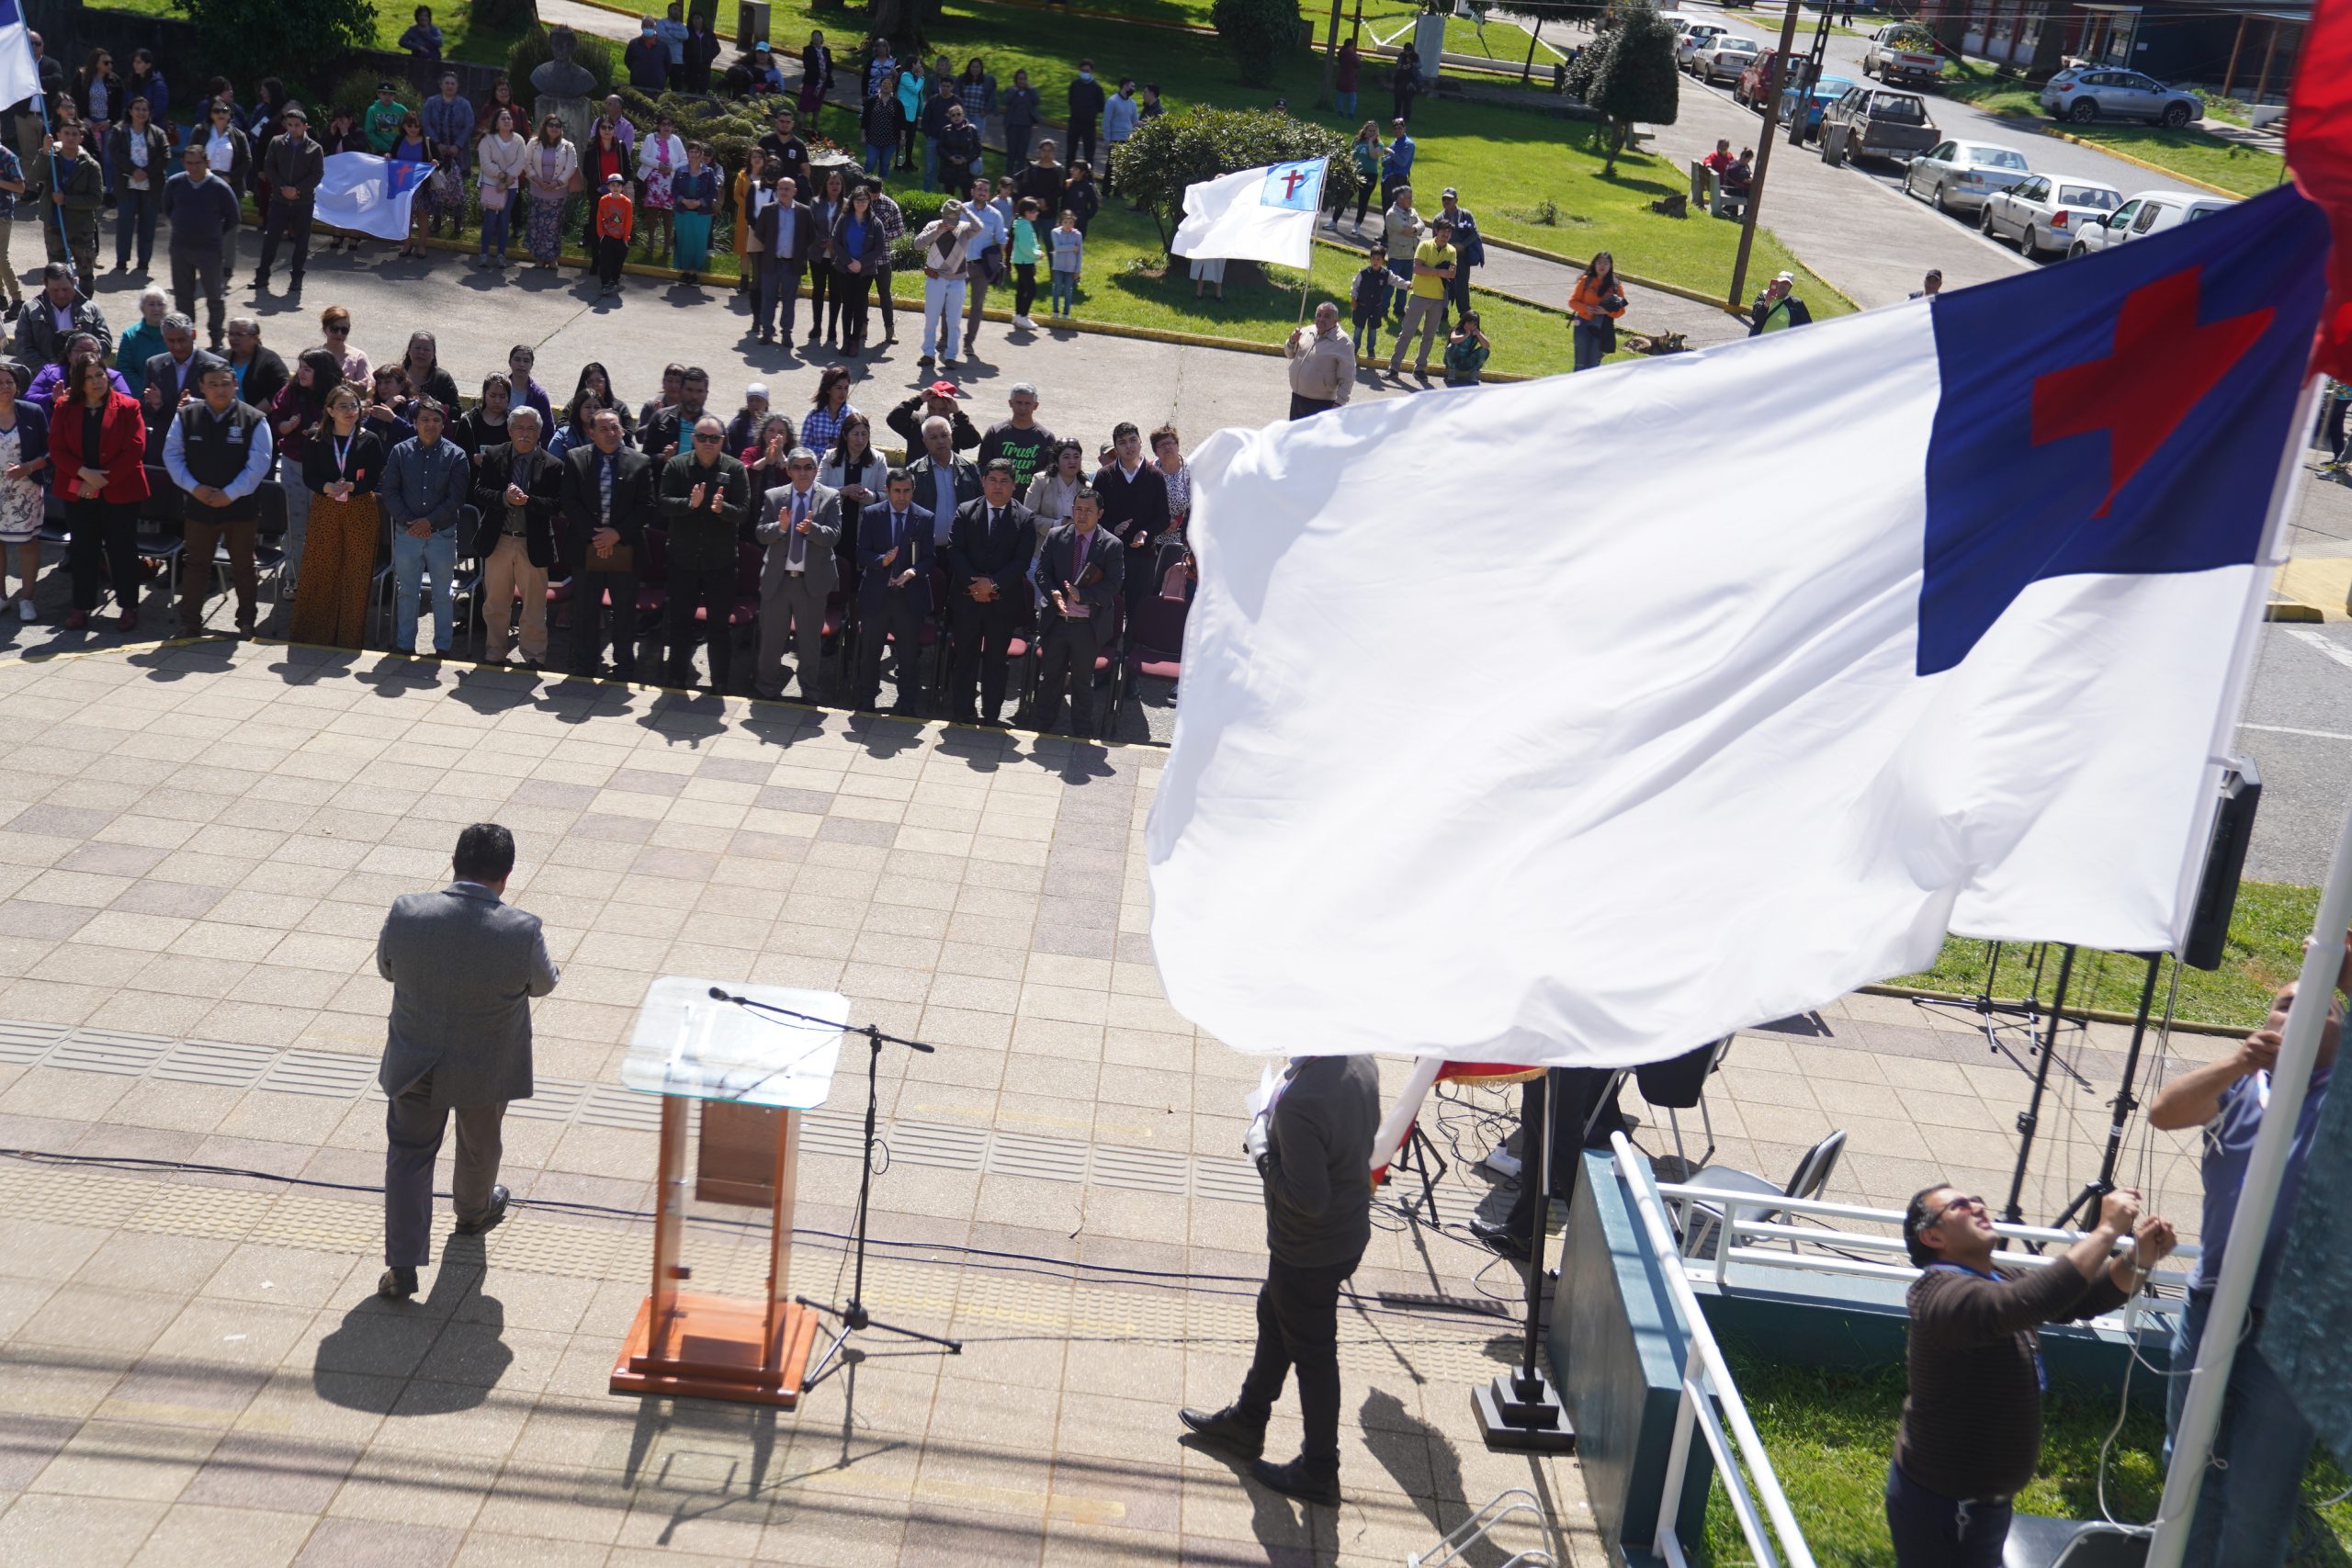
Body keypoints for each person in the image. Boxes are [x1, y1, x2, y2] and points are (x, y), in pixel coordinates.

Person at [2149, 951, 2347, 1568]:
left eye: (2320, 1005)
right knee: (2186, 1464)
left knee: (2261, 1490)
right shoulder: (2241, 1086)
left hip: (2300, 1324)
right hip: (2214, 1305)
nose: (2300, 1010)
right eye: (2286, 1001)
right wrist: (2239, 1059)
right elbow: (2164, 1112)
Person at [1889, 1185, 2173, 1567]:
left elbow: (2080, 1298)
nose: (1977, 1204)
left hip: (1983, 1503)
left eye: (1976, 1198)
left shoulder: (1995, 1275)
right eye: (1959, 1205)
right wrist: (2105, 1230)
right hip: (1945, 1506)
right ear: (1933, 1236)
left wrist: (2138, 1259)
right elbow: (2031, 1301)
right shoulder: (1937, 1295)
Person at [1180, 1051, 1381, 1506]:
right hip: (1346, 1234)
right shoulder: (1362, 1060)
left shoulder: (1302, 1101)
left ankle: (1319, 1469)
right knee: (1274, 1313)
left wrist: (1262, 1146)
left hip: (1308, 1249)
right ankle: (1247, 1421)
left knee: (1313, 1354)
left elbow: (1304, 1198)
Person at [374, 822, 560, 1300]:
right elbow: (543, 984)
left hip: (415, 1059)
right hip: (486, 1063)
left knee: (409, 1157)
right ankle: (473, 1215)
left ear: (453, 863)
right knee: (480, 1145)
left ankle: (402, 1266)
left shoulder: (407, 911)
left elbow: (387, 968)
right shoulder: (521, 928)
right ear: (508, 874)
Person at [164, 361, 271, 636]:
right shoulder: (186, 416)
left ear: (235, 385)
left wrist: (230, 493)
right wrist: (194, 487)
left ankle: (247, 621)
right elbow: (172, 455)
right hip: (199, 506)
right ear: (202, 386)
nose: (220, 389)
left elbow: (260, 463)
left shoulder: (255, 419)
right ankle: (190, 622)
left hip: (241, 508)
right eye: (213, 384)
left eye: (225, 383)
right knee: (196, 565)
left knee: (244, 566)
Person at [1015, 488, 1122, 738]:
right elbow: (1042, 572)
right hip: (1058, 620)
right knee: (1051, 675)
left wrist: (1082, 595)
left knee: (1082, 681)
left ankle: (1082, 731)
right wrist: (1053, 593)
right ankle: (1042, 725)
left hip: (1087, 624)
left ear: (1100, 513)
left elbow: (1114, 585)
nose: (1082, 515)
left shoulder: (1111, 545)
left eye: (1088, 511)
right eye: (1078, 509)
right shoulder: (1056, 536)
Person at [51, 355, 148, 632]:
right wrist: (83, 473)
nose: (97, 382)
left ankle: (129, 606)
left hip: (120, 491)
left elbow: (134, 449)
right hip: (78, 490)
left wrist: (97, 481)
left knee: (122, 550)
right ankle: (80, 607)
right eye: (89, 377)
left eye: (100, 375)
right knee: (83, 550)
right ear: (78, 382)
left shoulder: (129, 407)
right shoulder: (64, 407)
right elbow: (57, 448)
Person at [557, 407, 652, 682]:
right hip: (587, 547)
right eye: (604, 429)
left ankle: (624, 666)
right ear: (591, 432)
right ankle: (585, 665)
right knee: (586, 609)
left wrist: (616, 534)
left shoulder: (640, 462)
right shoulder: (576, 459)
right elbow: (569, 501)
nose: (611, 433)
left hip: (626, 548)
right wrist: (597, 535)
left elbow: (647, 505)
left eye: (615, 428)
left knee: (624, 611)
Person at [288, 381, 383, 649]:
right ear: (330, 410)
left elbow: (375, 477)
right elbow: (310, 476)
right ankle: (314, 635)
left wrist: (354, 486)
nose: (350, 411)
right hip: (326, 508)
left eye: (353, 405)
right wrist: (327, 487)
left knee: (356, 573)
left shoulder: (369, 440)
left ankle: (349, 638)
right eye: (343, 406)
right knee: (322, 569)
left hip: (361, 509)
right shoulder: (316, 439)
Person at [942, 457, 1034, 726]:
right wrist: (976, 585)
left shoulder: (1025, 518)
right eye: (992, 480)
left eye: (1004, 481)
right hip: (967, 600)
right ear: (983, 481)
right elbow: (954, 550)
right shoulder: (966, 511)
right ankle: (962, 711)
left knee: (996, 661)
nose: (998, 486)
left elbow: (1021, 561)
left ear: (1014, 485)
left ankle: (991, 715)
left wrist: (992, 585)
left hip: (1002, 603)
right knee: (965, 657)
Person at [660, 414, 749, 691]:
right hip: (682, 560)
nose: (708, 443)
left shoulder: (735, 469)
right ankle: (676, 678)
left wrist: (724, 510)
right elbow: (662, 504)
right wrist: (690, 503)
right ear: (693, 439)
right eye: (702, 437)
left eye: (714, 438)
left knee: (719, 627)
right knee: (680, 623)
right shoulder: (676, 466)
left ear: (722, 440)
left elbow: (745, 513)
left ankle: (720, 683)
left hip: (719, 563)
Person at [470, 406, 560, 666]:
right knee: (496, 603)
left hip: (533, 542)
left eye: (531, 428)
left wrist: (528, 502)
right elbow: (478, 492)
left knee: (534, 607)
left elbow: (556, 505)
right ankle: (495, 652)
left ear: (539, 433)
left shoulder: (553, 465)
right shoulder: (494, 456)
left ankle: (533, 656)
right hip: (498, 540)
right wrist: (504, 499)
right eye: (519, 427)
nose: (524, 433)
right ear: (509, 431)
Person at [752, 445, 841, 704]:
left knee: (810, 643)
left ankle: (809, 690)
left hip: (810, 583)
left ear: (816, 470)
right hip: (778, 581)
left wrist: (811, 529)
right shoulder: (774, 496)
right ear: (789, 471)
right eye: (798, 467)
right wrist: (780, 528)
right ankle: (766, 687)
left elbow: (834, 536)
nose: (803, 472)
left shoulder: (830, 497)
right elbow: (760, 533)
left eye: (808, 467)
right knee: (771, 639)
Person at [381, 399, 469, 654]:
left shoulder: (456, 456)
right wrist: (411, 521)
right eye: (424, 419)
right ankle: (405, 645)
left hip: (441, 535)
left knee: (442, 594)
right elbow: (389, 491)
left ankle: (442, 648)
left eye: (436, 419)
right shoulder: (399, 452)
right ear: (415, 422)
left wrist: (428, 522)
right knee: (407, 591)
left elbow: (456, 499)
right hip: (407, 534)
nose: (430, 424)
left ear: (444, 423)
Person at [852, 468, 932, 713]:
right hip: (878, 594)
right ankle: (866, 699)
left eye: (906, 491)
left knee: (908, 656)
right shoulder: (873, 514)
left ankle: (907, 703)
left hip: (908, 597)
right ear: (887, 490)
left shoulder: (924, 517)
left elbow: (930, 558)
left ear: (913, 491)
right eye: (896, 491)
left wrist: (913, 572)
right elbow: (861, 552)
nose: (901, 496)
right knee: (870, 652)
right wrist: (881, 561)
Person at [162, 145, 237, 351]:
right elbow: (167, 208)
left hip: (209, 250)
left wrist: (214, 233)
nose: (193, 168)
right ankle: (186, 338)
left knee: (214, 297)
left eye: (198, 163)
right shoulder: (175, 183)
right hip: (180, 248)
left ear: (207, 163)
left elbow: (233, 217)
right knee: (183, 296)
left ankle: (216, 340)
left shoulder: (219, 187)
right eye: (189, 163)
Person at [1092, 422, 1168, 614]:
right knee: (1108, 608)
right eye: (1122, 442)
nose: (1129, 446)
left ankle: (1132, 644)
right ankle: (1108, 644)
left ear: (1141, 442)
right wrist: (1112, 528)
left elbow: (1163, 518)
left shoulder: (1155, 476)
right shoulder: (1104, 476)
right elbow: (1095, 515)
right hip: (1111, 555)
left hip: (1143, 557)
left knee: (1139, 609)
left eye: (1133, 440)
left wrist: (1145, 532)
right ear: (1116, 448)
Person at [252, 103, 322, 293]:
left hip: (303, 202)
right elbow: (269, 168)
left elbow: (317, 175)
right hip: (280, 200)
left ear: (305, 126)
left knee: (301, 242)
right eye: (289, 125)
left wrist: (297, 189)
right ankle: (262, 275)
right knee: (270, 238)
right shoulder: (276, 142)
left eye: (296, 125)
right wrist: (282, 187)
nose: (292, 129)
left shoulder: (315, 149)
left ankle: (296, 278)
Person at [139, 313, 219, 463]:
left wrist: (195, 404)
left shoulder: (216, 365)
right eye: (171, 341)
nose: (177, 346)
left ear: (193, 335)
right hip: (163, 448)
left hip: (201, 448)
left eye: (182, 340)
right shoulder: (154, 364)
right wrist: (154, 404)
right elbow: (144, 407)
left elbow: (226, 405)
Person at [913, 199, 984, 367]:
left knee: (954, 321)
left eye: (954, 220)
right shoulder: (933, 225)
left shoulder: (965, 228)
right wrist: (937, 231)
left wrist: (966, 210)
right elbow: (918, 244)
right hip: (935, 278)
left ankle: (951, 356)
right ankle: (928, 354)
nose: (951, 225)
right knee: (931, 319)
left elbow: (979, 227)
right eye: (948, 220)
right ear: (942, 216)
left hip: (957, 280)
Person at [0, 359, 43, 619]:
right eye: (0, 383)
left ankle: (27, 599)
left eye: (9, 382)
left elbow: (52, 451)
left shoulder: (32, 412)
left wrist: (28, 467)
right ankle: (1, 596)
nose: (5, 387)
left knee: (27, 543)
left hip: (24, 490)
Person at [109, 96, 171, 275]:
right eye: (137, 108)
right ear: (130, 111)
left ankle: (144, 261)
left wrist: (147, 172)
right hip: (127, 184)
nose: (141, 112)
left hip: (150, 186)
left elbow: (165, 156)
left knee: (148, 225)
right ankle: (122, 260)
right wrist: (133, 170)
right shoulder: (119, 130)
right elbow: (115, 152)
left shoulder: (157, 133)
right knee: (125, 224)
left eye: (145, 109)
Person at [1387, 218, 1455, 378]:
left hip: (1438, 298)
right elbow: (1417, 269)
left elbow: (1452, 273)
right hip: (1419, 296)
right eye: (1443, 230)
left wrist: (1432, 270)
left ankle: (1420, 369)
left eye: (1449, 231)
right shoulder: (1424, 245)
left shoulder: (1452, 251)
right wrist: (1439, 272)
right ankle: (1394, 367)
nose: (1446, 234)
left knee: (1429, 335)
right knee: (1407, 333)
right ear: (1436, 231)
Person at [752, 174, 816, 344]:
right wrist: (771, 244)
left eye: (787, 189)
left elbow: (811, 235)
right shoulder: (768, 210)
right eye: (780, 188)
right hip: (772, 261)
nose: (783, 192)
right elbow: (759, 232)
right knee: (768, 299)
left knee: (789, 301)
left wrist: (799, 249)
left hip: (791, 264)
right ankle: (766, 331)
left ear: (794, 191)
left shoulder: (804, 211)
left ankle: (786, 333)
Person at [907, 415, 981, 555]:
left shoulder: (970, 468)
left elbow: (981, 506)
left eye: (944, 435)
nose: (940, 441)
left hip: (962, 550)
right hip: (926, 551)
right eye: (933, 437)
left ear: (951, 437)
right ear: (924, 441)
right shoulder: (914, 472)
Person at [14, 262, 107, 370]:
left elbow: (104, 343)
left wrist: (83, 358)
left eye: (65, 289)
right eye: (55, 290)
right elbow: (23, 348)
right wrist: (50, 371)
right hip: (45, 377)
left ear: (74, 282)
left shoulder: (90, 309)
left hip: (83, 375)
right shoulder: (30, 310)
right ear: (44, 284)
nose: (61, 295)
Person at [45, 120, 104, 286]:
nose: (70, 137)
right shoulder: (51, 159)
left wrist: (66, 200)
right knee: (56, 275)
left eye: (74, 134)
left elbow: (96, 199)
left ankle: (83, 309)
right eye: (66, 133)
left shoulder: (91, 166)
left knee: (85, 275)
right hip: (55, 224)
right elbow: (34, 177)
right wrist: (44, 151)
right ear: (58, 135)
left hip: (80, 227)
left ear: (81, 138)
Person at [469, 107, 525, 271]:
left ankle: (501, 255)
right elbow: (485, 163)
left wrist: (507, 182)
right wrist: (501, 176)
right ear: (496, 122)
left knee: (504, 219)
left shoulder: (519, 140)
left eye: (509, 118)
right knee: (490, 218)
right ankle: (484, 254)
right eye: (504, 119)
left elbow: (520, 163)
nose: (507, 121)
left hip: (511, 186)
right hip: (490, 184)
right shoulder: (487, 140)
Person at [522, 117, 577, 273]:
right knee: (538, 226)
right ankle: (539, 257)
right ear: (544, 126)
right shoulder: (533, 143)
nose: (554, 128)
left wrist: (558, 182)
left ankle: (553, 258)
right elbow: (526, 162)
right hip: (537, 190)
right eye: (551, 125)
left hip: (557, 192)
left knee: (554, 227)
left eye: (558, 126)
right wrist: (536, 179)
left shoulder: (568, 146)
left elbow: (571, 166)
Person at [976, 385, 1055, 491]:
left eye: (1027, 403)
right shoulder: (995, 432)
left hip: (1031, 501)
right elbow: (983, 467)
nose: (1023, 408)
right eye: (1019, 403)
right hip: (998, 496)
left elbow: (1051, 473)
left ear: (1035, 405)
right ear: (1010, 403)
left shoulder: (1046, 437)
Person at [1284, 302, 1355, 420]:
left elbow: (1348, 377)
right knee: (1296, 437)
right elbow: (1289, 354)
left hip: (1321, 404)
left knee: (1313, 438)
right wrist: (1291, 341)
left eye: (1327, 316)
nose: (1321, 319)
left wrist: (1339, 404)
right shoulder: (1306, 331)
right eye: (1319, 315)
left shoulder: (1344, 343)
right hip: (1297, 398)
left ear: (1336, 319)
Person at [1433, 188, 1484, 326]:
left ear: (1456, 200)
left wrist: (1462, 245)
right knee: (1443, 287)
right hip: (1445, 258)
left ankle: (1465, 316)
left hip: (1462, 258)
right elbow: (1435, 239)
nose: (1446, 201)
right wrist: (1449, 246)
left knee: (1462, 286)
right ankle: (1442, 313)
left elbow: (1475, 234)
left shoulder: (1466, 214)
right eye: (1444, 199)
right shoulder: (1438, 218)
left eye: (1449, 199)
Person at [1569, 251, 1625, 372]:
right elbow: (1572, 302)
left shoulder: (1616, 285)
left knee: (1593, 365)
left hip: (1602, 327)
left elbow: (1621, 310)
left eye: (1605, 263)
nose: (1602, 266)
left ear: (1610, 266)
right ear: (1594, 264)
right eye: (1599, 262)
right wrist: (1585, 308)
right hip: (1582, 324)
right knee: (1580, 363)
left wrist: (1606, 311)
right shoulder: (1586, 280)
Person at [671, 141, 718, 283]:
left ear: (701, 154)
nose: (693, 154)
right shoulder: (680, 171)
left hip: (701, 213)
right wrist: (683, 200)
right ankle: (685, 272)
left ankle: (695, 272)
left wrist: (699, 202)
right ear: (688, 153)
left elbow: (713, 191)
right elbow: (674, 189)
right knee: (684, 241)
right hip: (683, 211)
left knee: (699, 242)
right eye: (691, 151)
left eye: (696, 151)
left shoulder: (708, 172)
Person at [221, 317, 287, 411]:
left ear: (255, 338)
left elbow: (280, 391)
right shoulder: (221, 358)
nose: (233, 338)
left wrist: (252, 416)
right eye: (230, 334)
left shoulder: (270, 361)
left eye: (239, 335)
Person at [593, 173, 633, 299]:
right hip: (607, 237)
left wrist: (625, 238)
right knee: (605, 261)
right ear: (608, 187)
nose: (615, 188)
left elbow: (628, 221)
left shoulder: (627, 202)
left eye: (618, 185)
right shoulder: (604, 200)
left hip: (620, 238)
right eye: (612, 185)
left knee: (617, 262)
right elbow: (599, 218)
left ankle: (615, 280)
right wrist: (601, 235)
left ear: (622, 187)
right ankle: (605, 283)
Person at [936, 103, 982, 203]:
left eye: (958, 114)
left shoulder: (972, 129)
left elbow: (977, 148)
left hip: (965, 169)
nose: (956, 117)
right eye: (953, 115)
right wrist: (950, 157)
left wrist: (966, 159)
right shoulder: (946, 130)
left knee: (968, 199)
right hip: (949, 167)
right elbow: (940, 147)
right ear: (949, 117)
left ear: (963, 115)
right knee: (948, 199)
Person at [1066, 60, 1105, 169]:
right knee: (1070, 153)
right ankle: (1068, 178)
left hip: (1089, 125)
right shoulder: (1075, 85)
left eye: (1087, 71)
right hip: (1074, 122)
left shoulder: (1097, 88)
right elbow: (1070, 101)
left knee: (1089, 155)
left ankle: (1087, 179)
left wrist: (1090, 111)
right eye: (1082, 70)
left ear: (1091, 71)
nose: (1084, 73)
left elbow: (1101, 106)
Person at [1102, 78, 1140, 192]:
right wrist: (1107, 140)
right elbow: (1106, 121)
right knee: (1111, 167)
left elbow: (1135, 121)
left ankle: (1118, 191)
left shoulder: (1132, 103)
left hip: (1127, 139)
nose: (1133, 89)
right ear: (1124, 86)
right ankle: (1106, 190)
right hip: (1115, 139)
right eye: (1131, 86)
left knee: (1123, 167)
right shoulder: (1112, 101)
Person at [1749, 270, 1813, 334]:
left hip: (1782, 343)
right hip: (1759, 342)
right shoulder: (1764, 295)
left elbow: (1808, 327)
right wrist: (1766, 304)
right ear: (1776, 283)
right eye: (1782, 282)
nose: (1783, 285)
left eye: (1787, 283)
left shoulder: (1796, 304)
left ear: (1790, 287)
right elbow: (1756, 317)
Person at [1001, 68, 1040, 167]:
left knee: (1022, 154)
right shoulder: (1011, 90)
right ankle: (1008, 177)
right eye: (1019, 79)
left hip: (1026, 126)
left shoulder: (1031, 91)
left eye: (1023, 79)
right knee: (1011, 153)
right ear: (1016, 80)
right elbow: (1006, 101)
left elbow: (1037, 101)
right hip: (1012, 125)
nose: (1021, 81)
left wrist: (1030, 89)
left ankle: (1020, 178)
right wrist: (1015, 91)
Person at [1047, 208, 1082, 318]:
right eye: (1065, 222)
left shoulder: (1077, 235)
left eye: (1071, 222)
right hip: (1058, 266)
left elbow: (1079, 253)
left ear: (1074, 222)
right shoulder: (1055, 232)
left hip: (1070, 268)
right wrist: (1072, 247)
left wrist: (1077, 270)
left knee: (1068, 290)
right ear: (1061, 222)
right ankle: (1055, 311)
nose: (1068, 225)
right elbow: (1057, 248)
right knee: (1057, 289)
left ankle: (1066, 312)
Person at [1443, 312, 1491, 388]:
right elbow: (1453, 340)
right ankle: (1451, 373)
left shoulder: (1477, 333)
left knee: (1485, 350)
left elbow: (1487, 346)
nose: (1471, 326)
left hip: (1466, 361)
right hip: (1452, 361)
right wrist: (1466, 335)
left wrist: (1479, 334)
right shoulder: (1457, 330)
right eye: (1469, 323)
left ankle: (1474, 374)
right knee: (1451, 346)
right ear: (1464, 322)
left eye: (1474, 324)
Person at [1380, 117, 1415, 211]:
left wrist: (1391, 153)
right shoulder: (1393, 144)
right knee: (1386, 206)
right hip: (1387, 178)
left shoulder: (1409, 144)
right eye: (1395, 128)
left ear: (1404, 129)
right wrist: (1392, 156)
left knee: (1396, 208)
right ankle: (1386, 226)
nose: (1397, 130)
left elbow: (1403, 162)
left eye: (1400, 128)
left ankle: (1393, 226)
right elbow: (1383, 162)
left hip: (1398, 179)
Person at [626, 19, 670, 94]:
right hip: (637, 85)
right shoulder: (634, 43)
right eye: (645, 26)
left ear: (655, 28)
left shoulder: (663, 46)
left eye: (651, 26)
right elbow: (628, 61)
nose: (648, 28)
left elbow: (668, 64)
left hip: (657, 86)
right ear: (642, 27)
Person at [400, 6, 444, 80]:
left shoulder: (435, 30)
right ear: (417, 17)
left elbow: (440, 43)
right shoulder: (413, 30)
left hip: (434, 61)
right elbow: (402, 41)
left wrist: (426, 34)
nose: (423, 18)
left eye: (426, 16)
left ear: (429, 18)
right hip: (418, 61)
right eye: (421, 16)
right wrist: (418, 47)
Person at [799, 33, 834, 121]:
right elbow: (807, 65)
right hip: (810, 81)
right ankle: (800, 124)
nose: (816, 38)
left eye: (818, 36)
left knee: (817, 105)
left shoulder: (826, 51)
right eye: (813, 36)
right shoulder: (807, 50)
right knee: (805, 103)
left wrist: (826, 73)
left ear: (822, 38)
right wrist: (819, 73)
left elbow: (830, 64)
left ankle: (814, 126)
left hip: (822, 83)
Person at [657, 2, 689, 88]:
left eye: (679, 11)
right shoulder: (661, 23)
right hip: (662, 60)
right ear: (668, 10)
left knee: (676, 89)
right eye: (675, 9)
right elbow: (661, 36)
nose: (677, 12)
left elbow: (685, 36)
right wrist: (677, 39)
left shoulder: (682, 27)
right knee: (658, 86)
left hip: (677, 62)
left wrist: (670, 32)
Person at [1064, 162, 1101, 236]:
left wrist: (1086, 217)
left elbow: (1095, 204)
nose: (1072, 170)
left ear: (1082, 172)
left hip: (1079, 222)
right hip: (1066, 219)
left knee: (1076, 246)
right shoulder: (1069, 183)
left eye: (1075, 169)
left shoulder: (1087, 186)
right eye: (1072, 168)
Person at [1391, 49, 1422, 122]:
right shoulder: (1404, 62)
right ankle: (1399, 117)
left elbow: (1416, 79)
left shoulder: (1414, 69)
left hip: (1407, 88)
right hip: (1402, 87)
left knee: (1406, 104)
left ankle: (1404, 118)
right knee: (1401, 103)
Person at [1334, 39, 1362, 118]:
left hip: (1342, 75)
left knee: (1341, 95)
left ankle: (1340, 111)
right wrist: (1359, 58)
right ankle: (1351, 113)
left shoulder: (1341, 52)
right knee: (1352, 98)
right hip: (1350, 77)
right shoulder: (1351, 54)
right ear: (1351, 45)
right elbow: (1358, 64)